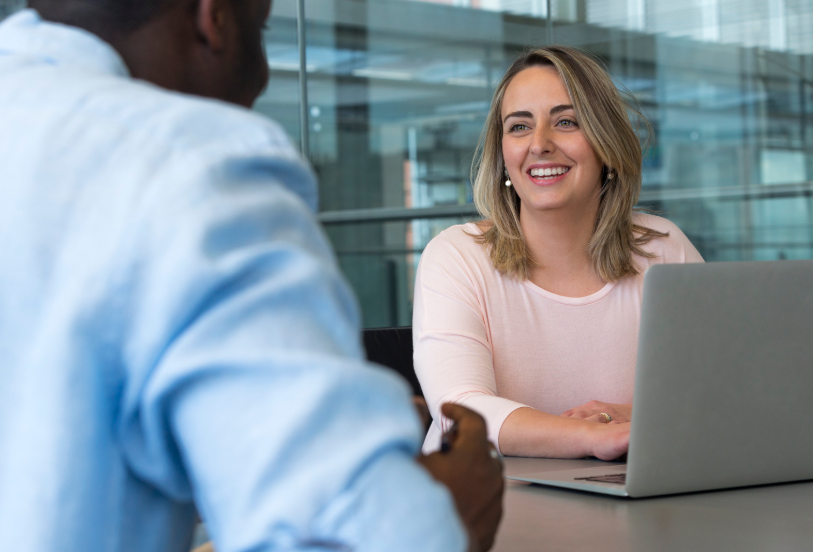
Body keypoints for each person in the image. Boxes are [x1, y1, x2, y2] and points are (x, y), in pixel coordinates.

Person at [0, 1, 503, 551]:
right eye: (259, 31)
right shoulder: (191, 168)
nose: (262, 77)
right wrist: (451, 511)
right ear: (212, 20)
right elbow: (364, 537)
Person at [413, 46, 704, 461]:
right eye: (518, 127)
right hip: (485, 505)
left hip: (630, 500)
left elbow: (716, 397)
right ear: (502, 154)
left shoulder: (663, 248)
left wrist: (632, 417)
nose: (540, 144)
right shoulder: (456, 257)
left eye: (566, 121)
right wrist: (594, 438)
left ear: (606, 143)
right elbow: (461, 412)